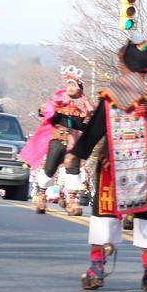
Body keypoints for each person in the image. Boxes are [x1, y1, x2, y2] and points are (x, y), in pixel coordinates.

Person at [70, 34, 147, 292]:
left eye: (120, 60)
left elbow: (96, 126)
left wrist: (77, 153)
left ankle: (96, 268)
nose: (118, 65)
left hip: (119, 165)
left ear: (128, 63)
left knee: (105, 215)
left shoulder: (118, 90)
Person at [19, 65, 94, 215]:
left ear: (80, 88)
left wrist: (86, 118)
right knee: (49, 169)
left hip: (75, 142)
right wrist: (46, 110)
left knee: (73, 170)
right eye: (69, 84)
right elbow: (45, 111)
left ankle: (72, 201)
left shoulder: (85, 105)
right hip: (58, 138)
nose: (70, 88)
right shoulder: (58, 99)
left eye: (74, 85)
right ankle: (41, 196)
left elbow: (89, 122)